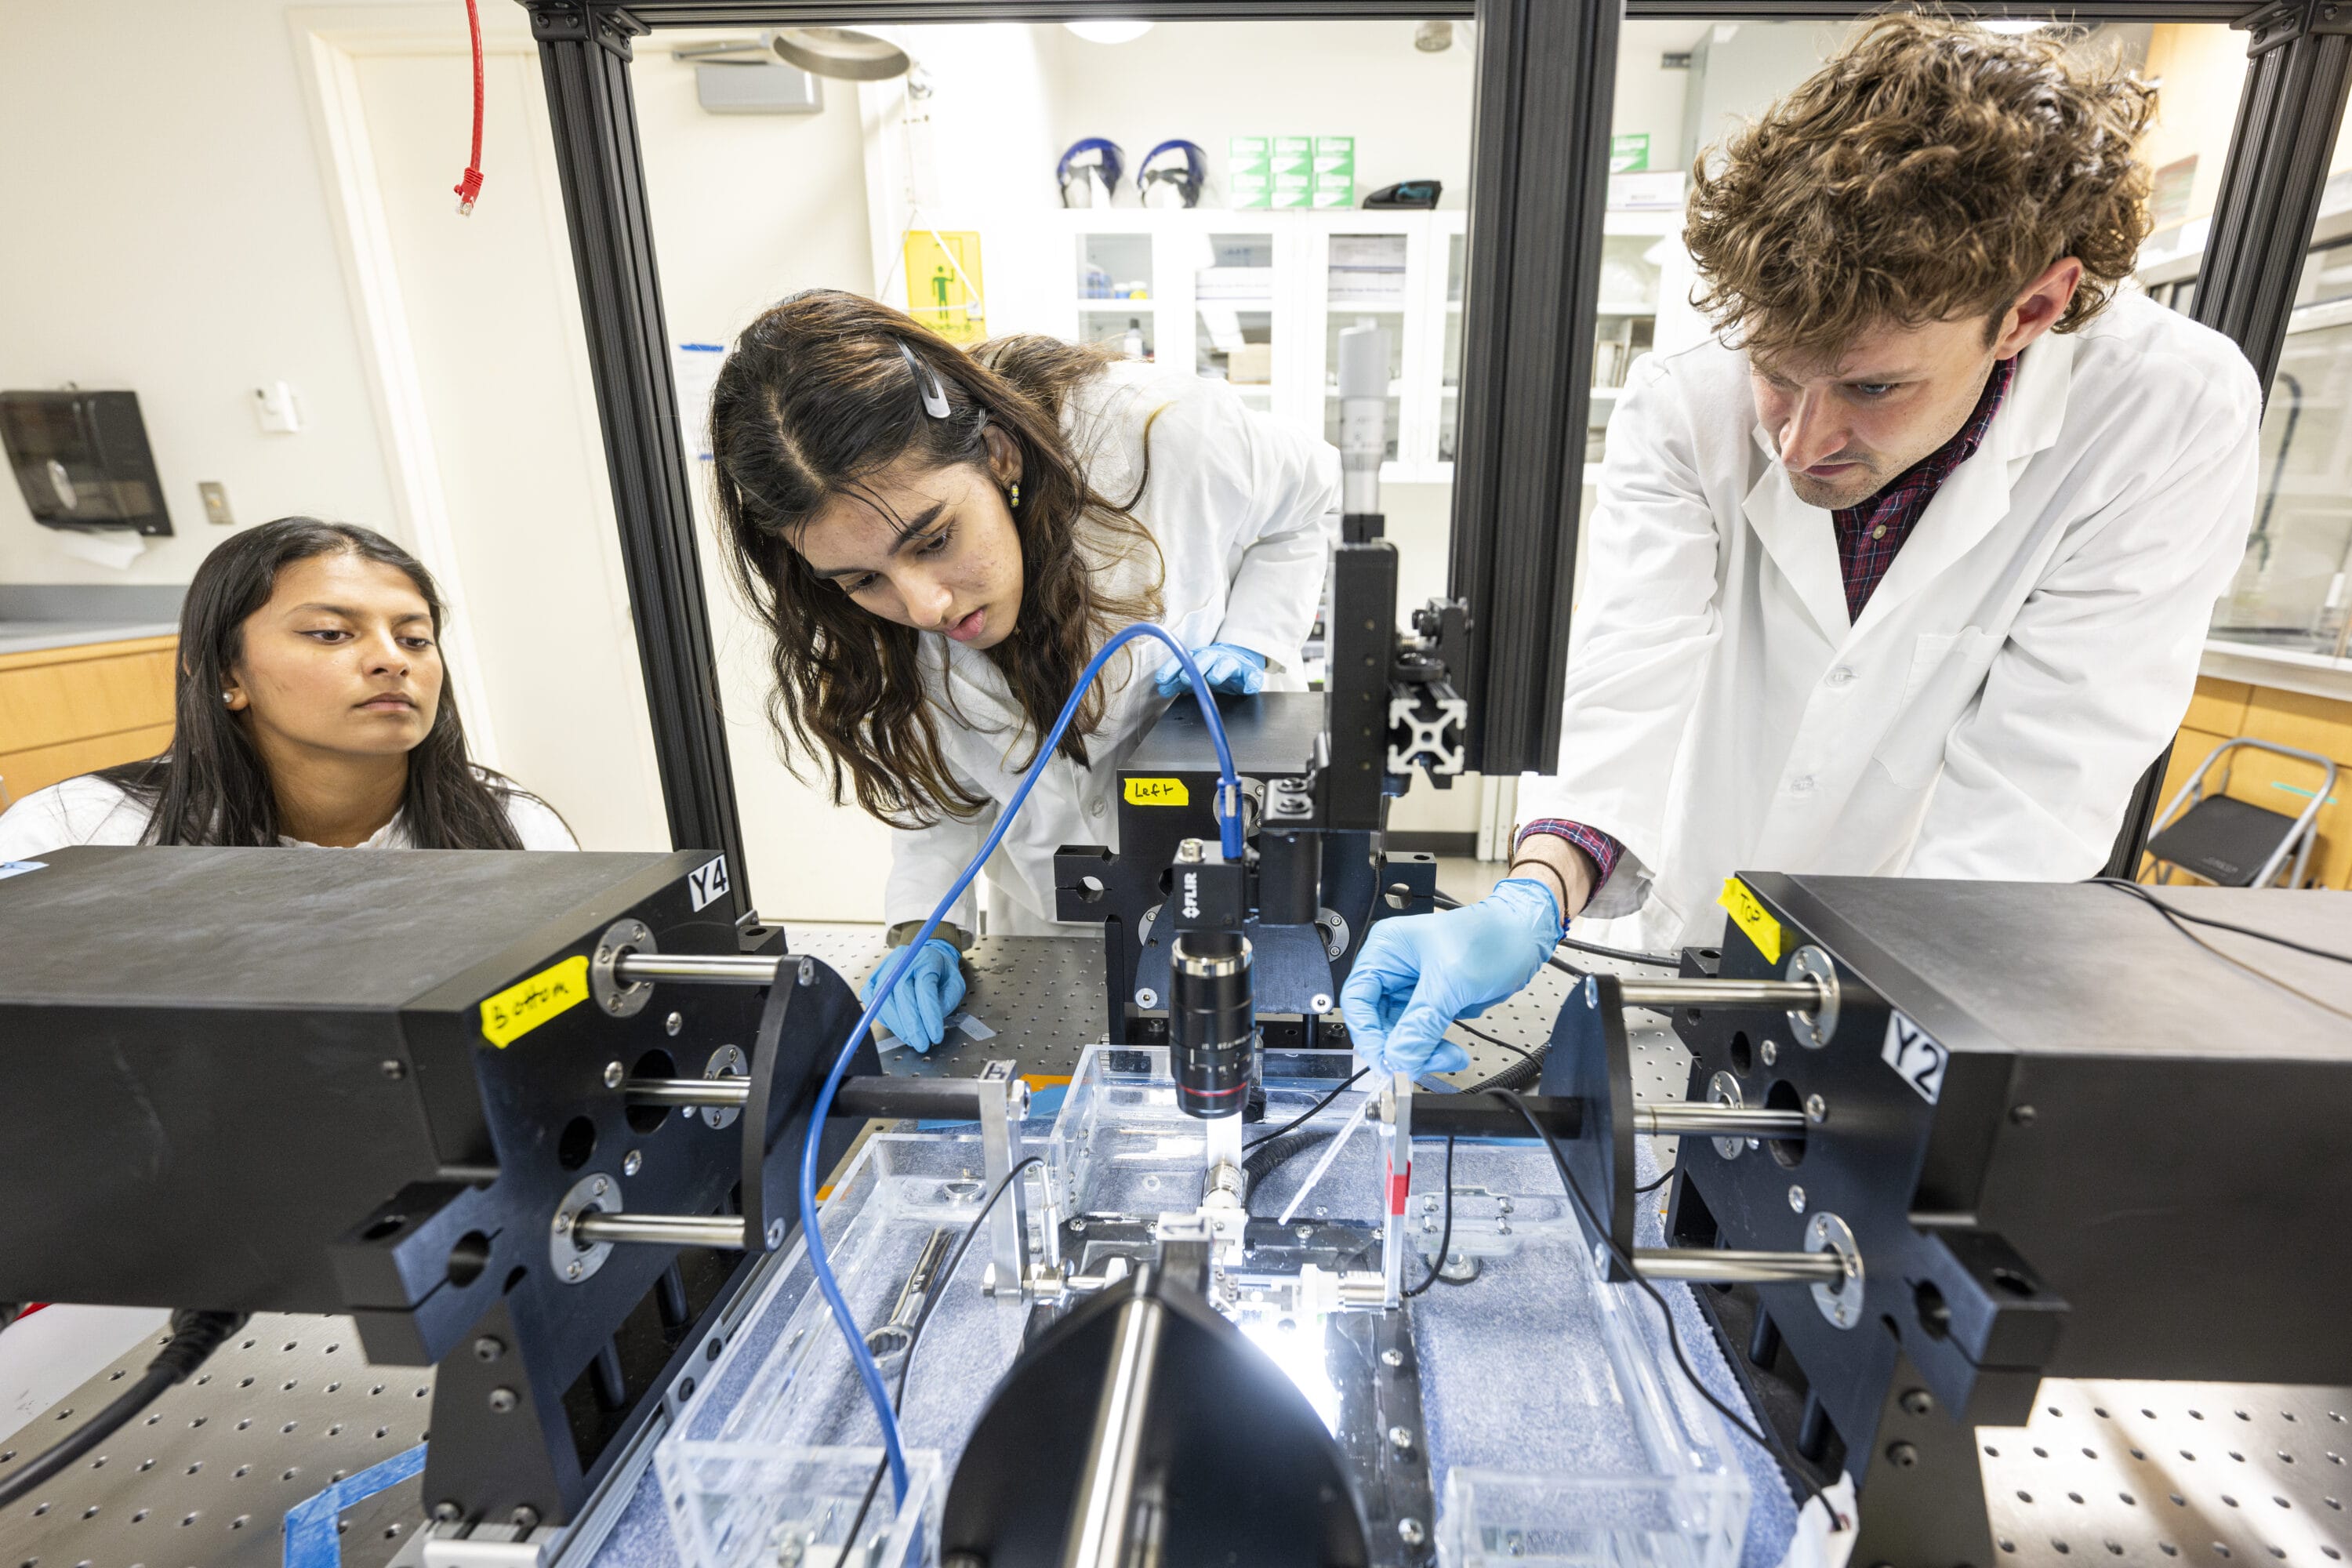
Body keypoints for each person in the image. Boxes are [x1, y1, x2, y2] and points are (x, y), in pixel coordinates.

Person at [1344, 15, 2259, 1074]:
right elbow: (1629, 677)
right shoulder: (1688, 390)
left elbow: (2038, 783)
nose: (1801, 441)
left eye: (1874, 387)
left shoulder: (2162, 415)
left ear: (2032, 309)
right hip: (1675, 925)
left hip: (1923, 957)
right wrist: (1536, 891)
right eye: (1777, 371)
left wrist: (1893, 1040)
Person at [709, 289, 1338, 1051]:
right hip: (1057, 925)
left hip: (1240, 885)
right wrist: (923, 928)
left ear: (998, 454)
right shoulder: (867, 620)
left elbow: (1310, 498)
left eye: (934, 539)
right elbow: (945, 799)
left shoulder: (1160, 437)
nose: (925, 604)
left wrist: (1255, 640)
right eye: (862, 579)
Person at [0, 517, 574, 858]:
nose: (390, 660)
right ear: (228, 674)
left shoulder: (509, 825)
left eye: (415, 639)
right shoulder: (76, 833)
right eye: (330, 633)